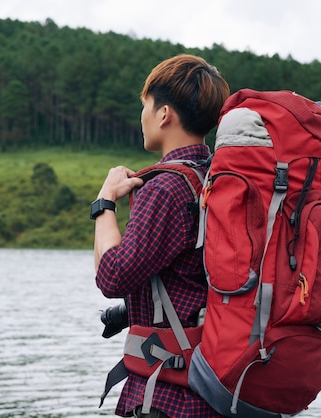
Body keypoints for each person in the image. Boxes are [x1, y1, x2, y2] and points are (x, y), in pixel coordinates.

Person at [91, 54, 230, 418]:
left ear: (164, 113)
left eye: (146, 106)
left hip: (171, 396)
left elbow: (112, 276)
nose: (143, 116)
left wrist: (104, 202)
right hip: (217, 387)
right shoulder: (218, 179)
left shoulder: (167, 188)